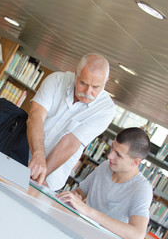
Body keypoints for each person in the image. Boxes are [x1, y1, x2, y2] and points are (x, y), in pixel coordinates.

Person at [27, 53, 116, 191]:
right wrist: (38, 154)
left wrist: (40, 174)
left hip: (49, 177)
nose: (88, 92)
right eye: (83, 83)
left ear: (105, 81)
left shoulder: (106, 110)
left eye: (96, 87)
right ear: (76, 74)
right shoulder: (56, 80)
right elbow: (36, 116)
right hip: (22, 152)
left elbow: (71, 142)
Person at [57, 127, 153, 239]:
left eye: (118, 154)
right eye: (112, 148)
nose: (109, 156)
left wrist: (89, 212)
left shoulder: (142, 189)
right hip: (76, 231)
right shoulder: (105, 166)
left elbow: (137, 234)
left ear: (135, 162)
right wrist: (74, 198)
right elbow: (79, 191)